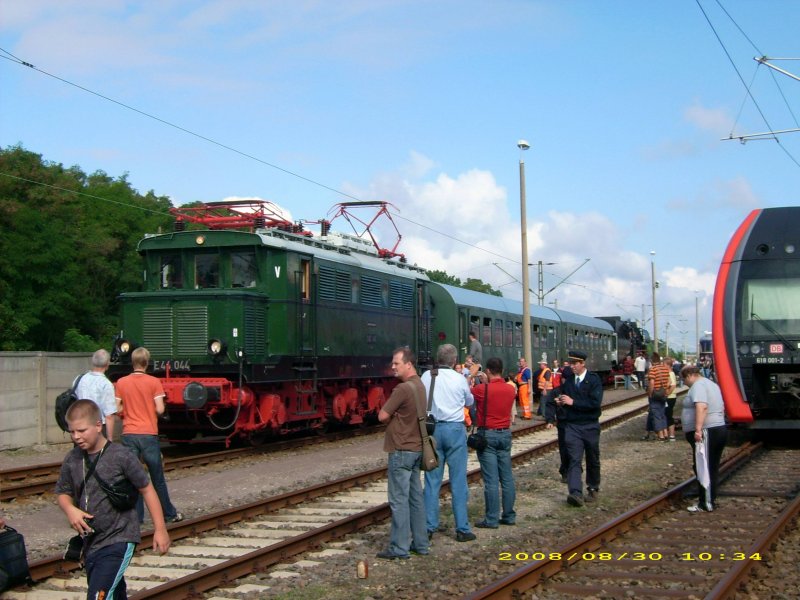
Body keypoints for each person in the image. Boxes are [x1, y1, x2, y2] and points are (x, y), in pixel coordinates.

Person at [56, 400, 170, 599]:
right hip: (91, 543)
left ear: (98, 425)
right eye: (72, 432)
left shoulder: (121, 456)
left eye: (82, 430)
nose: (77, 437)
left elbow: (147, 489)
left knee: (99, 596)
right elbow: (63, 492)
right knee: (114, 593)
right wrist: (70, 509)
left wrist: (160, 530)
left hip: (119, 538)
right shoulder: (72, 458)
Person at [115, 348, 183, 524]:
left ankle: (137, 517)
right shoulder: (154, 382)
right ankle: (168, 513)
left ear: (133, 362)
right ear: (147, 362)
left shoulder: (121, 382)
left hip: (129, 433)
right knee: (157, 477)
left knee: (134, 477)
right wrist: (147, 409)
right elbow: (160, 409)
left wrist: (130, 409)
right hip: (148, 433)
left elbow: (118, 409)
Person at [376, 347, 429, 560]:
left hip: (401, 449)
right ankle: (421, 543)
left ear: (408, 364)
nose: (393, 367)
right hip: (417, 448)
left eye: (396, 363)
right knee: (416, 499)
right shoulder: (420, 386)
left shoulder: (402, 389)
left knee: (398, 500)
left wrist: (392, 418)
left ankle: (399, 547)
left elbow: (382, 415)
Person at [421, 343, 476, 542]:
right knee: (458, 481)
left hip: (432, 430)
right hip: (454, 429)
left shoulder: (427, 376)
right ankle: (462, 528)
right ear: (454, 361)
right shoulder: (459, 378)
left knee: (431, 481)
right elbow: (469, 401)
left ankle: (428, 527)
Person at [471, 357, 516, 528]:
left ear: (488, 371)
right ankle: (509, 515)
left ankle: (491, 519)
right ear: (502, 371)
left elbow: (466, 391)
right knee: (507, 478)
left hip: (488, 435)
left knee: (491, 480)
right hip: (505, 434)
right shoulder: (511, 389)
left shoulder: (483, 389)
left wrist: (473, 376)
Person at [555, 350, 603, 507]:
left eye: (575, 364)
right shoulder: (568, 382)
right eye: (571, 363)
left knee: (592, 457)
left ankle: (593, 487)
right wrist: (561, 402)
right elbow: (566, 400)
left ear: (583, 364)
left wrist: (573, 402)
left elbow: (594, 404)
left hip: (590, 425)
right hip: (573, 426)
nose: (572, 366)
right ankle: (575, 492)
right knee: (574, 459)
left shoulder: (594, 380)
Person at [680, 365, 727, 512]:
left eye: (683, 379)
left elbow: (702, 407)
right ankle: (709, 499)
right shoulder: (712, 384)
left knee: (704, 467)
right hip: (717, 428)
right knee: (710, 466)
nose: (684, 383)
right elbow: (722, 407)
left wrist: (698, 429)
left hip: (707, 430)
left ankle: (705, 503)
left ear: (689, 375)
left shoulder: (698, 386)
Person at [74, 349, 119, 441]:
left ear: (93, 362)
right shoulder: (106, 384)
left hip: (79, 425)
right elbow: (109, 415)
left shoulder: (79, 379)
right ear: (107, 365)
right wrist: (110, 439)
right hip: (97, 428)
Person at [644, 352, 672, 441]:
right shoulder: (665, 369)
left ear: (652, 361)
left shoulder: (653, 369)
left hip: (655, 395)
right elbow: (669, 382)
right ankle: (665, 433)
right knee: (662, 414)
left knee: (656, 415)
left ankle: (661, 435)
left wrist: (650, 393)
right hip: (663, 394)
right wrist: (665, 389)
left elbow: (652, 383)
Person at [664, 357, 679, 441]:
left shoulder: (670, 373)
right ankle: (668, 434)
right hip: (669, 397)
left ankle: (672, 435)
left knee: (668, 415)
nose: (663, 366)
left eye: (664, 364)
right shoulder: (668, 373)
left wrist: (667, 393)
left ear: (668, 365)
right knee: (666, 415)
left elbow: (673, 385)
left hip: (670, 397)